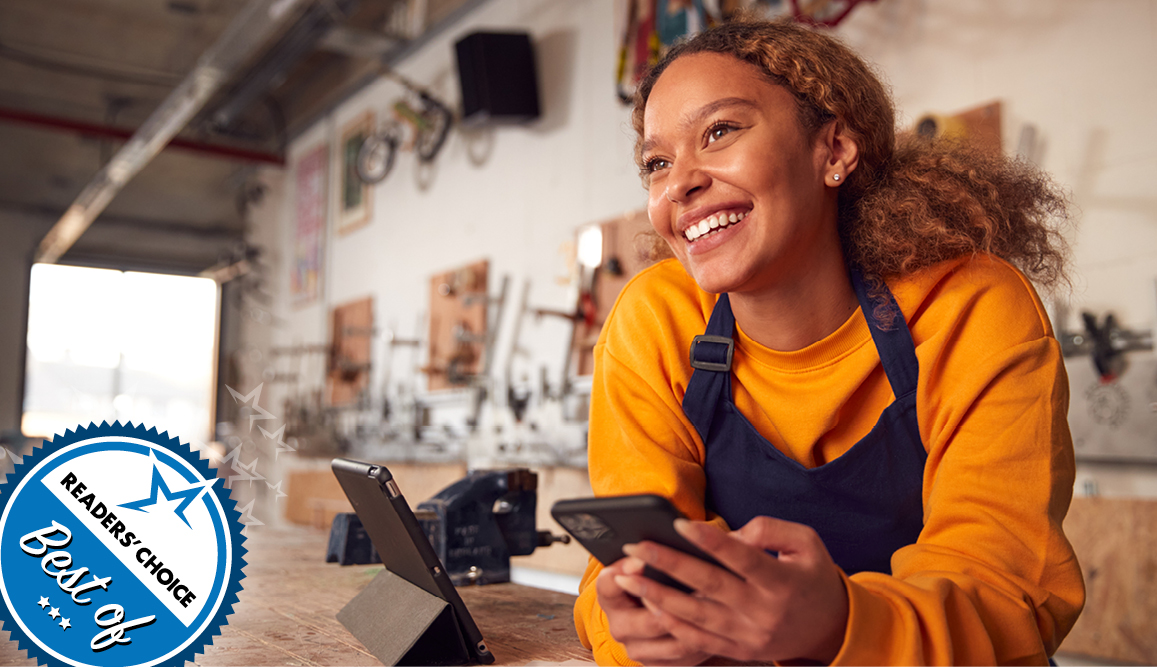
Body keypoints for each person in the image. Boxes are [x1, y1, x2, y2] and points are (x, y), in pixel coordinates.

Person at [573, 17, 1085, 666]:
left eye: (719, 131)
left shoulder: (968, 306)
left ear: (835, 149)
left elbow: (1009, 598)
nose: (679, 182)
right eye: (656, 163)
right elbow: (610, 580)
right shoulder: (654, 320)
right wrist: (633, 631)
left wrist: (840, 624)